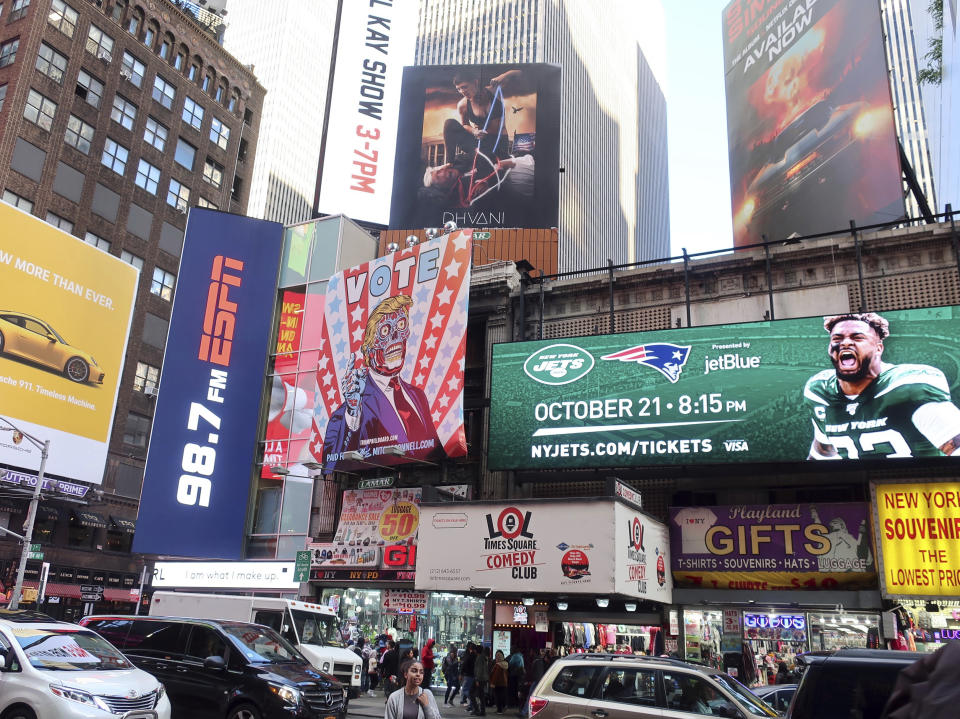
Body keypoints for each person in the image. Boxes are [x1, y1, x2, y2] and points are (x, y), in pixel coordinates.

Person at [804, 312, 960, 459]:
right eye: (837, 339)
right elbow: (823, 449)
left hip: (921, 485)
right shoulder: (819, 392)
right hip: (859, 485)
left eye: (857, 337)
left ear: (878, 348)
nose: (845, 343)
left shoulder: (908, 386)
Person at [323, 296, 444, 471]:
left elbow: (434, 451)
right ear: (369, 349)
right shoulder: (348, 413)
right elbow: (331, 467)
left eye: (401, 326)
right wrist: (353, 412)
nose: (395, 337)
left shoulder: (418, 396)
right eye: (385, 331)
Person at [490, 650, 509, 714]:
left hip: (498, 683)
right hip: (504, 683)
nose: (496, 658)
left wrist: (493, 683)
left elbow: (496, 675)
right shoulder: (505, 664)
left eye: (496, 656)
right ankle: (502, 708)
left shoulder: (498, 665)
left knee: (497, 697)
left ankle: (499, 710)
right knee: (501, 696)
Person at [473, 646, 490, 716]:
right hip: (483, 679)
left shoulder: (480, 658)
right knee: (481, 695)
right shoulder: (483, 657)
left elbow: (479, 670)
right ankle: (481, 710)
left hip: (480, 679)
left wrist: (477, 679)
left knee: (473, 693)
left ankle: (478, 710)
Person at [461, 643, 477, 712]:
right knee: (470, 690)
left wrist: (461, 673)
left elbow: (465, 664)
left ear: (470, 648)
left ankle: (473, 702)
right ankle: (471, 706)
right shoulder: (476, 656)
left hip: (469, 675)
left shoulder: (470, 656)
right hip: (473, 675)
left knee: (465, 689)